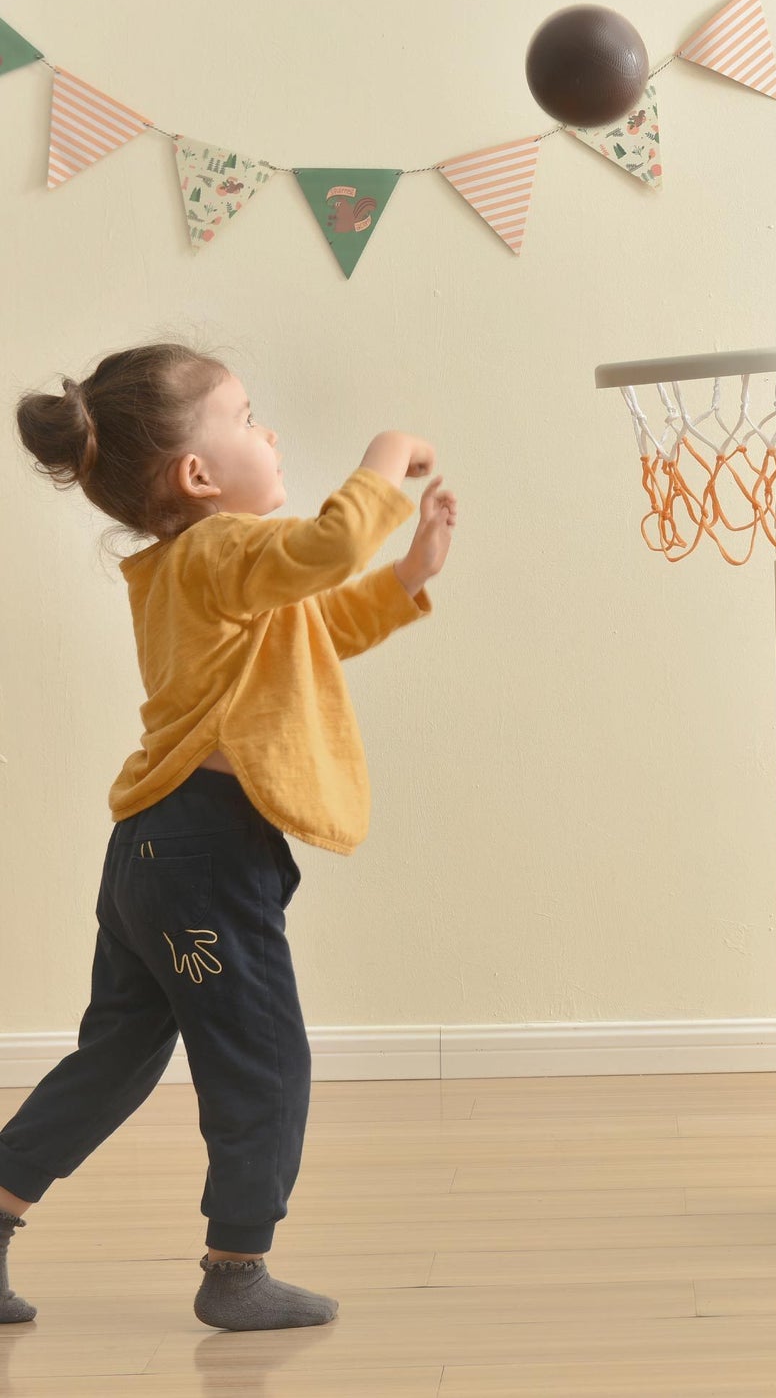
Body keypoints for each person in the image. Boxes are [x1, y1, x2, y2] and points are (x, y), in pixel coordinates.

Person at [0, 342, 456, 1330]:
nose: (271, 432)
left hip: (153, 853)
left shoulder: (188, 570)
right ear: (199, 477)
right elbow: (329, 550)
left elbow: (313, 627)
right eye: (248, 416)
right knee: (263, 1057)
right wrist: (383, 456)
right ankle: (236, 1266)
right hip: (200, 858)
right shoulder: (216, 549)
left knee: (116, 1054)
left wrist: (408, 577)